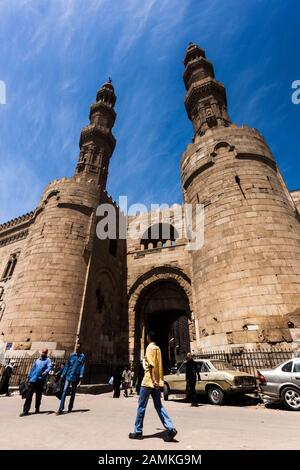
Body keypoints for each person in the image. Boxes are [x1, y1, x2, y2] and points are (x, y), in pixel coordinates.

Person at [129, 331, 177, 442]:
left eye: (147, 336)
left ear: (149, 338)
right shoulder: (158, 349)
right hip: (156, 383)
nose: (146, 337)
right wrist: (157, 381)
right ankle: (170, 428)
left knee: (141, 407)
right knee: (159, 406)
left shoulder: (149, 348)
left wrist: (154, 380)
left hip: (148, 381)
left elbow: (151, 365)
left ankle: (138, 431)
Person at [19, 349, 52, 416]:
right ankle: (25, 411)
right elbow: (32, 369)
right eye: (42, 352)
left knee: (38, 395)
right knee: (29, 395)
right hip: (33, 379)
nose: (43, 353)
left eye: (44, 352)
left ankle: (37, 408)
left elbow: (49, 367)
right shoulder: (37, 360)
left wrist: (46, 372)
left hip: (40, 380)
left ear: (46, 353)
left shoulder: (48, 360)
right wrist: (28, 377)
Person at [56, 342, 85, 415]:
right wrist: (63, 374)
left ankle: (70, 407)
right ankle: (60, 408)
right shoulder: (71, 355)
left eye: (79, 347)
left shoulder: (82, 356)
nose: (77, 348)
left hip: (76, 377)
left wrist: (81, 377)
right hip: (68, 376)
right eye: (77, 347)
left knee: (73, 393)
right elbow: (67, 365)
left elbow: (82, 367)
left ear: (80, 348)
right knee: (64, 391)